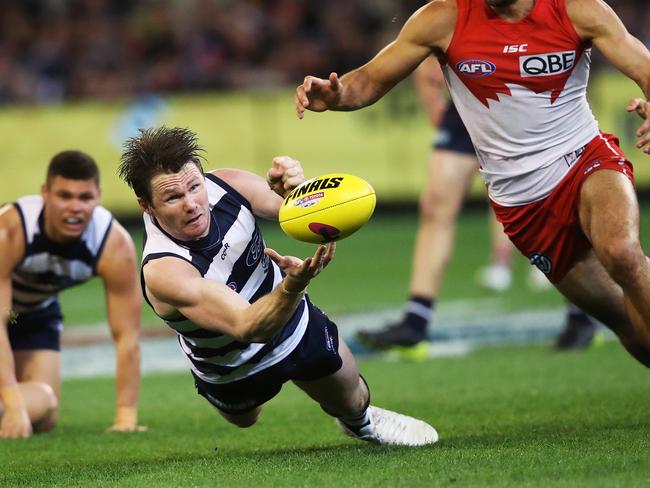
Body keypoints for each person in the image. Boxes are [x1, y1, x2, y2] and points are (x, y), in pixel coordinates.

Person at [296, 0, 650, 367]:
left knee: (622, 252)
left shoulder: (578, 8)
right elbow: (368, 81)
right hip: (521, 203)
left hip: (585, 160)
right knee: (626, 321)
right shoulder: (442, 18)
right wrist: (335, 94)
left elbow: (643, 65)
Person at [116, 126, 438, 446]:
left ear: (202, 176)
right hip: (229, 363)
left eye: (194, 187)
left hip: (292, 322)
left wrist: (296, 189)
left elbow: (296, 212)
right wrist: (292, 287)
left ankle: (361, 423)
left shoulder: (229, 185)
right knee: (246, 418)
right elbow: (249, 326)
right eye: (173, 197)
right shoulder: (164, 270)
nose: (191, 204)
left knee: (353, 399)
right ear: (146, 205)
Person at [355, 55, 597, 352]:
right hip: (467, 109)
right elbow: (421, 46)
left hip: (521, 108)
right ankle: (415, 322)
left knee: (549, 211)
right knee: (435, 205)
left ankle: (582, 313)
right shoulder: (450, 11)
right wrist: (433, 100)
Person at [0, 151, 144, 439]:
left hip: (36, 312)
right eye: (64, 196)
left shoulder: (113, 245)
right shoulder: (11, 229)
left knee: (45, 407)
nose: (75, 207)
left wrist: (125, 417)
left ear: (99, 197)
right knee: (20, 406)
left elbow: (127, 335)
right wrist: (13, 404)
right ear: (45, 193)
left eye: (85, 197)